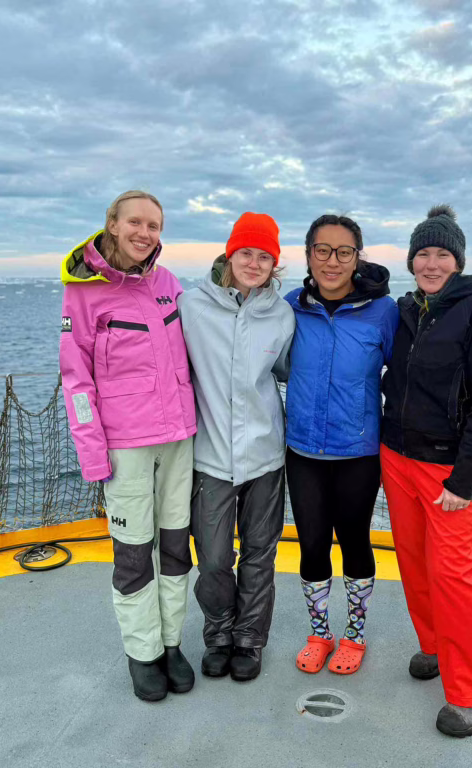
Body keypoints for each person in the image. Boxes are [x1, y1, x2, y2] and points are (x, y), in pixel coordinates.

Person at [379, 205, 472, 737]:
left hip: (449, 469)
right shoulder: (410, 306)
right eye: (422, 254)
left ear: (457, 260)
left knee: (456, 576)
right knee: (415, 563)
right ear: (411, 260)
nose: (431, 263)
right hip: (398, 456)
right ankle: (435, 646)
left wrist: (464, 478)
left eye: (441, 254)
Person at [59, 190, 197, 703]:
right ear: (112, 225)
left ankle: (170, 643)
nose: (146, 233)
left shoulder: (168, 284)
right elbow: (77, 384)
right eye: (136, 222)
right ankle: (142, 653)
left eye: (155, 225)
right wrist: (93, 454)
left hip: (180, 440)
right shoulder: (83, 294)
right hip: (126, 449)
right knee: (135, 556)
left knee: (177, 550)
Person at [178, 213, 295, 682]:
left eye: (264, 256)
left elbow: (284, 372)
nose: (254, 262)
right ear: (229, 254)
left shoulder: (282, 314)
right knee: (211, 558)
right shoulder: (191, 306)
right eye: (246, 252)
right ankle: (218, 634)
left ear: (273, 265)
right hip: (210, 456)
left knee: (260, 553)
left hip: (266, 454)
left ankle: (249, 640)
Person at [283, 214, 399, 676]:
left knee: (354, 541)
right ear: (308, 254)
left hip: (358, 452)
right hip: (303, 451)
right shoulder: (291, 305)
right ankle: (318, 632)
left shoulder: (384, 311)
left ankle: (354, 635)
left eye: (344, 251)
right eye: (323, 250)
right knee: (311, 545)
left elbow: (404, 371)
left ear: (358, 257)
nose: (333, 261)